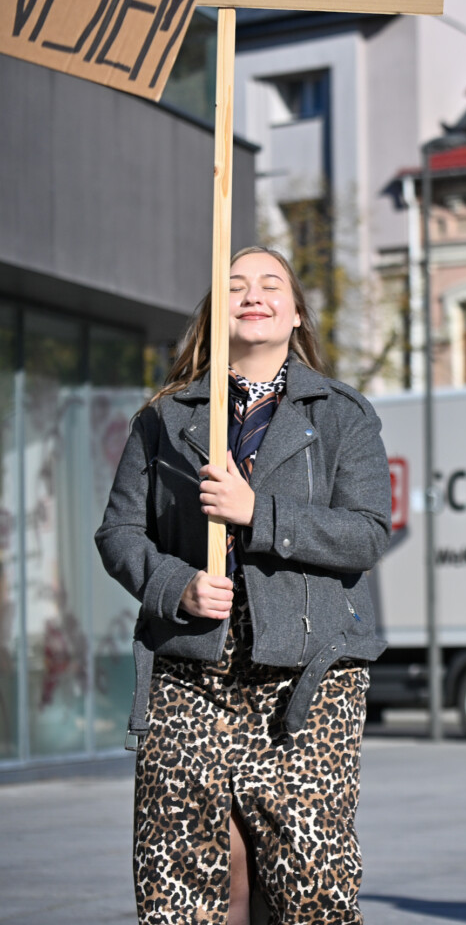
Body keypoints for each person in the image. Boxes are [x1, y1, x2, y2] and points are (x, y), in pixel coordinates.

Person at [96, 246, 392, 924]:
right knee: (180, 884)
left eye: (269, 284)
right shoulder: (165, 418)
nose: (253, 295)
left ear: (295, 314)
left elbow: (367, 533)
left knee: (310, 885)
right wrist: (175, 586)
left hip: (306, 684)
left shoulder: (344, 414)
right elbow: (119, 534)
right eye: (235, 286)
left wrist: (259, 513)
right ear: (214, 312)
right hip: (189, 677)